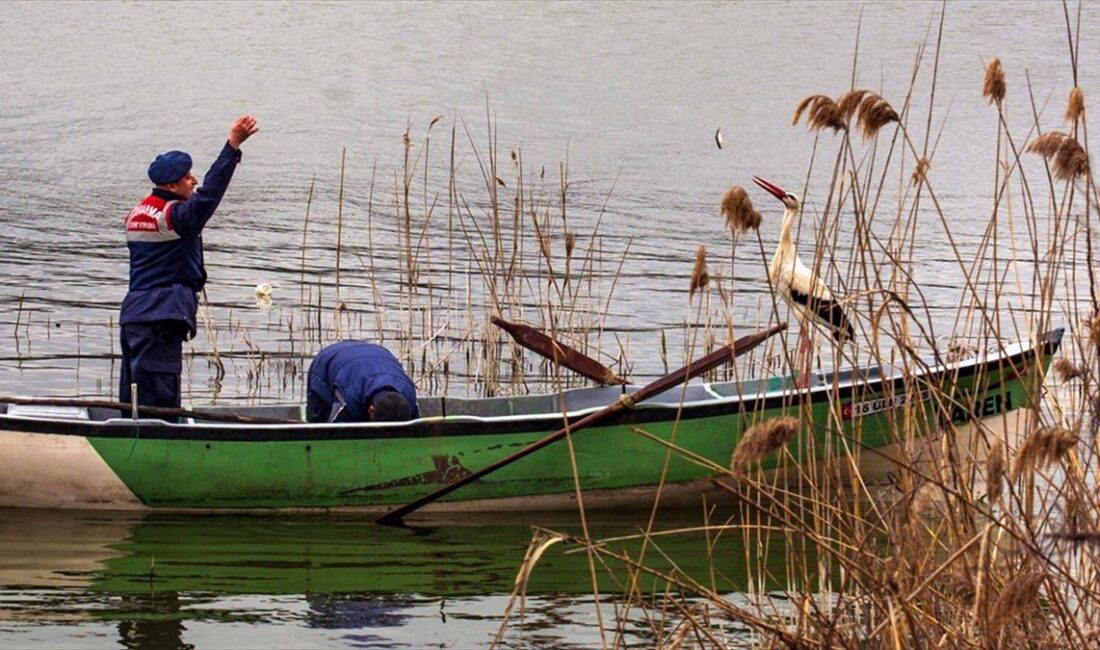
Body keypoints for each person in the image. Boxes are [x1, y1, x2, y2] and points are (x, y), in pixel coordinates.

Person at [119, 115, 259, 409]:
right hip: (161, 316)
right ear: (171, 185)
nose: (193, 181)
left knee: (132, 397)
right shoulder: (174, 218)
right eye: (187, 178)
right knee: (160, 401)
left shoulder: (135, 214)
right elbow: (209, 195)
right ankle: (162, 447)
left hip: (133, 316)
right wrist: (232, 146)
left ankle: (129, 443)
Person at [306, 341, 420, 423]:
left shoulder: (409, 395)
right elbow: (335, 431)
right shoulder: (350, 397)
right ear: (371, 410)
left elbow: (416, 429)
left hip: (373, 355)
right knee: (320, 420)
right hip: (327, 361)